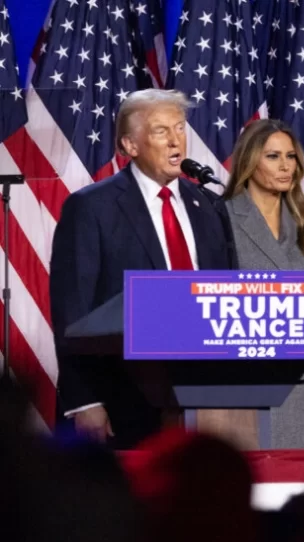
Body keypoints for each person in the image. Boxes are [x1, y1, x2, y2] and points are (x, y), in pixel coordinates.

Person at [49, 89, 234, 449]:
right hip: (122, 398)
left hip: (205, 401)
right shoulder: (92, 207)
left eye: (179, 128)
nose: (175, 139)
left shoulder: (208, 205)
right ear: (130, 146)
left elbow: (225, 297)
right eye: (160, 131)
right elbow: (73, 310)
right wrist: (86, 400)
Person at [222, 119, 304, 449]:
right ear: (249, 160)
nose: (286, 165)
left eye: (291, 156)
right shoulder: (221, 218)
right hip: (247, 377)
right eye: (273, 156)